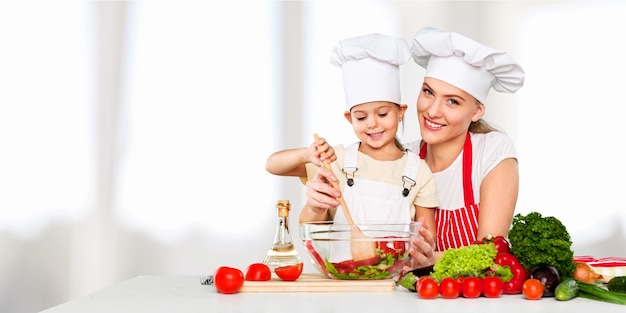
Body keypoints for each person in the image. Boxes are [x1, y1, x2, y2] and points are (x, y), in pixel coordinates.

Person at [302, 26, 525, 270]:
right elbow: (336, 219)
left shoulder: (492, 151)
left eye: (452, 101)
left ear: (477, 111)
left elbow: (490, 252)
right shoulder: (403, 159)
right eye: (428, 92)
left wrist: (432, 260)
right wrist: (316, 203)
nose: (432, 110)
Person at [265, 33, 440, 233]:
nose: (372, 124)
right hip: (339, 264)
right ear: (349, 118)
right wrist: (306, 154)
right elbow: (273, 165)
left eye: (382, 114)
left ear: (401, 112)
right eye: (361, 117)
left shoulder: (418, 171)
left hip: (399, 265)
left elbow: (427, 237)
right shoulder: (335, 160)